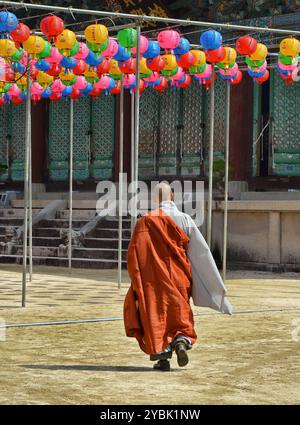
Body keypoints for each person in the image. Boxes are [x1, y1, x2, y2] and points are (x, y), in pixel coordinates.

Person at [124, 182, 232, 371]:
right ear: (172, 197)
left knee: (156, 315)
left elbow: (134, 255)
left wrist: (137, 280)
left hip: (154, 281)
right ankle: (181, 340)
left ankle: (162, 358)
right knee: (179, 311)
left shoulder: (144, 221)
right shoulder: (185, 220)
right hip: (179, 277)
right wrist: (213, 285)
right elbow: (202, 254)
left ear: (154, 199)